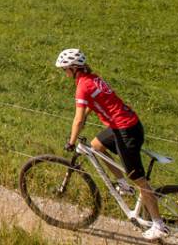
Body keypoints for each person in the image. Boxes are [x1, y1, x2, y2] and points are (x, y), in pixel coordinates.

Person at [56, 48, 166, 240]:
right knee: (97, 146)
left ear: (73, 68)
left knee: (140, 180)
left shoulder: (83, 86)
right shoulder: (92, 78)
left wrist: (71, 142)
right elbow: (95, 102)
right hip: (125, 124)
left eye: (65, 69)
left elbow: (79, 119)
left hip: (125, 131)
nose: (64, 73)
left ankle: (158, 224)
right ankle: (122, 184)